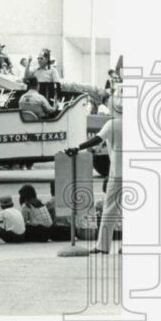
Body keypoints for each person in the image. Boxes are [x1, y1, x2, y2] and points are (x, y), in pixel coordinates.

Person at [65, 88, 122, 254]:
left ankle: (103, 246)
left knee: (110, 208)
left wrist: (78, 147)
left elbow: (97, 139)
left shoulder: (113, 123)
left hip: (118, 171)